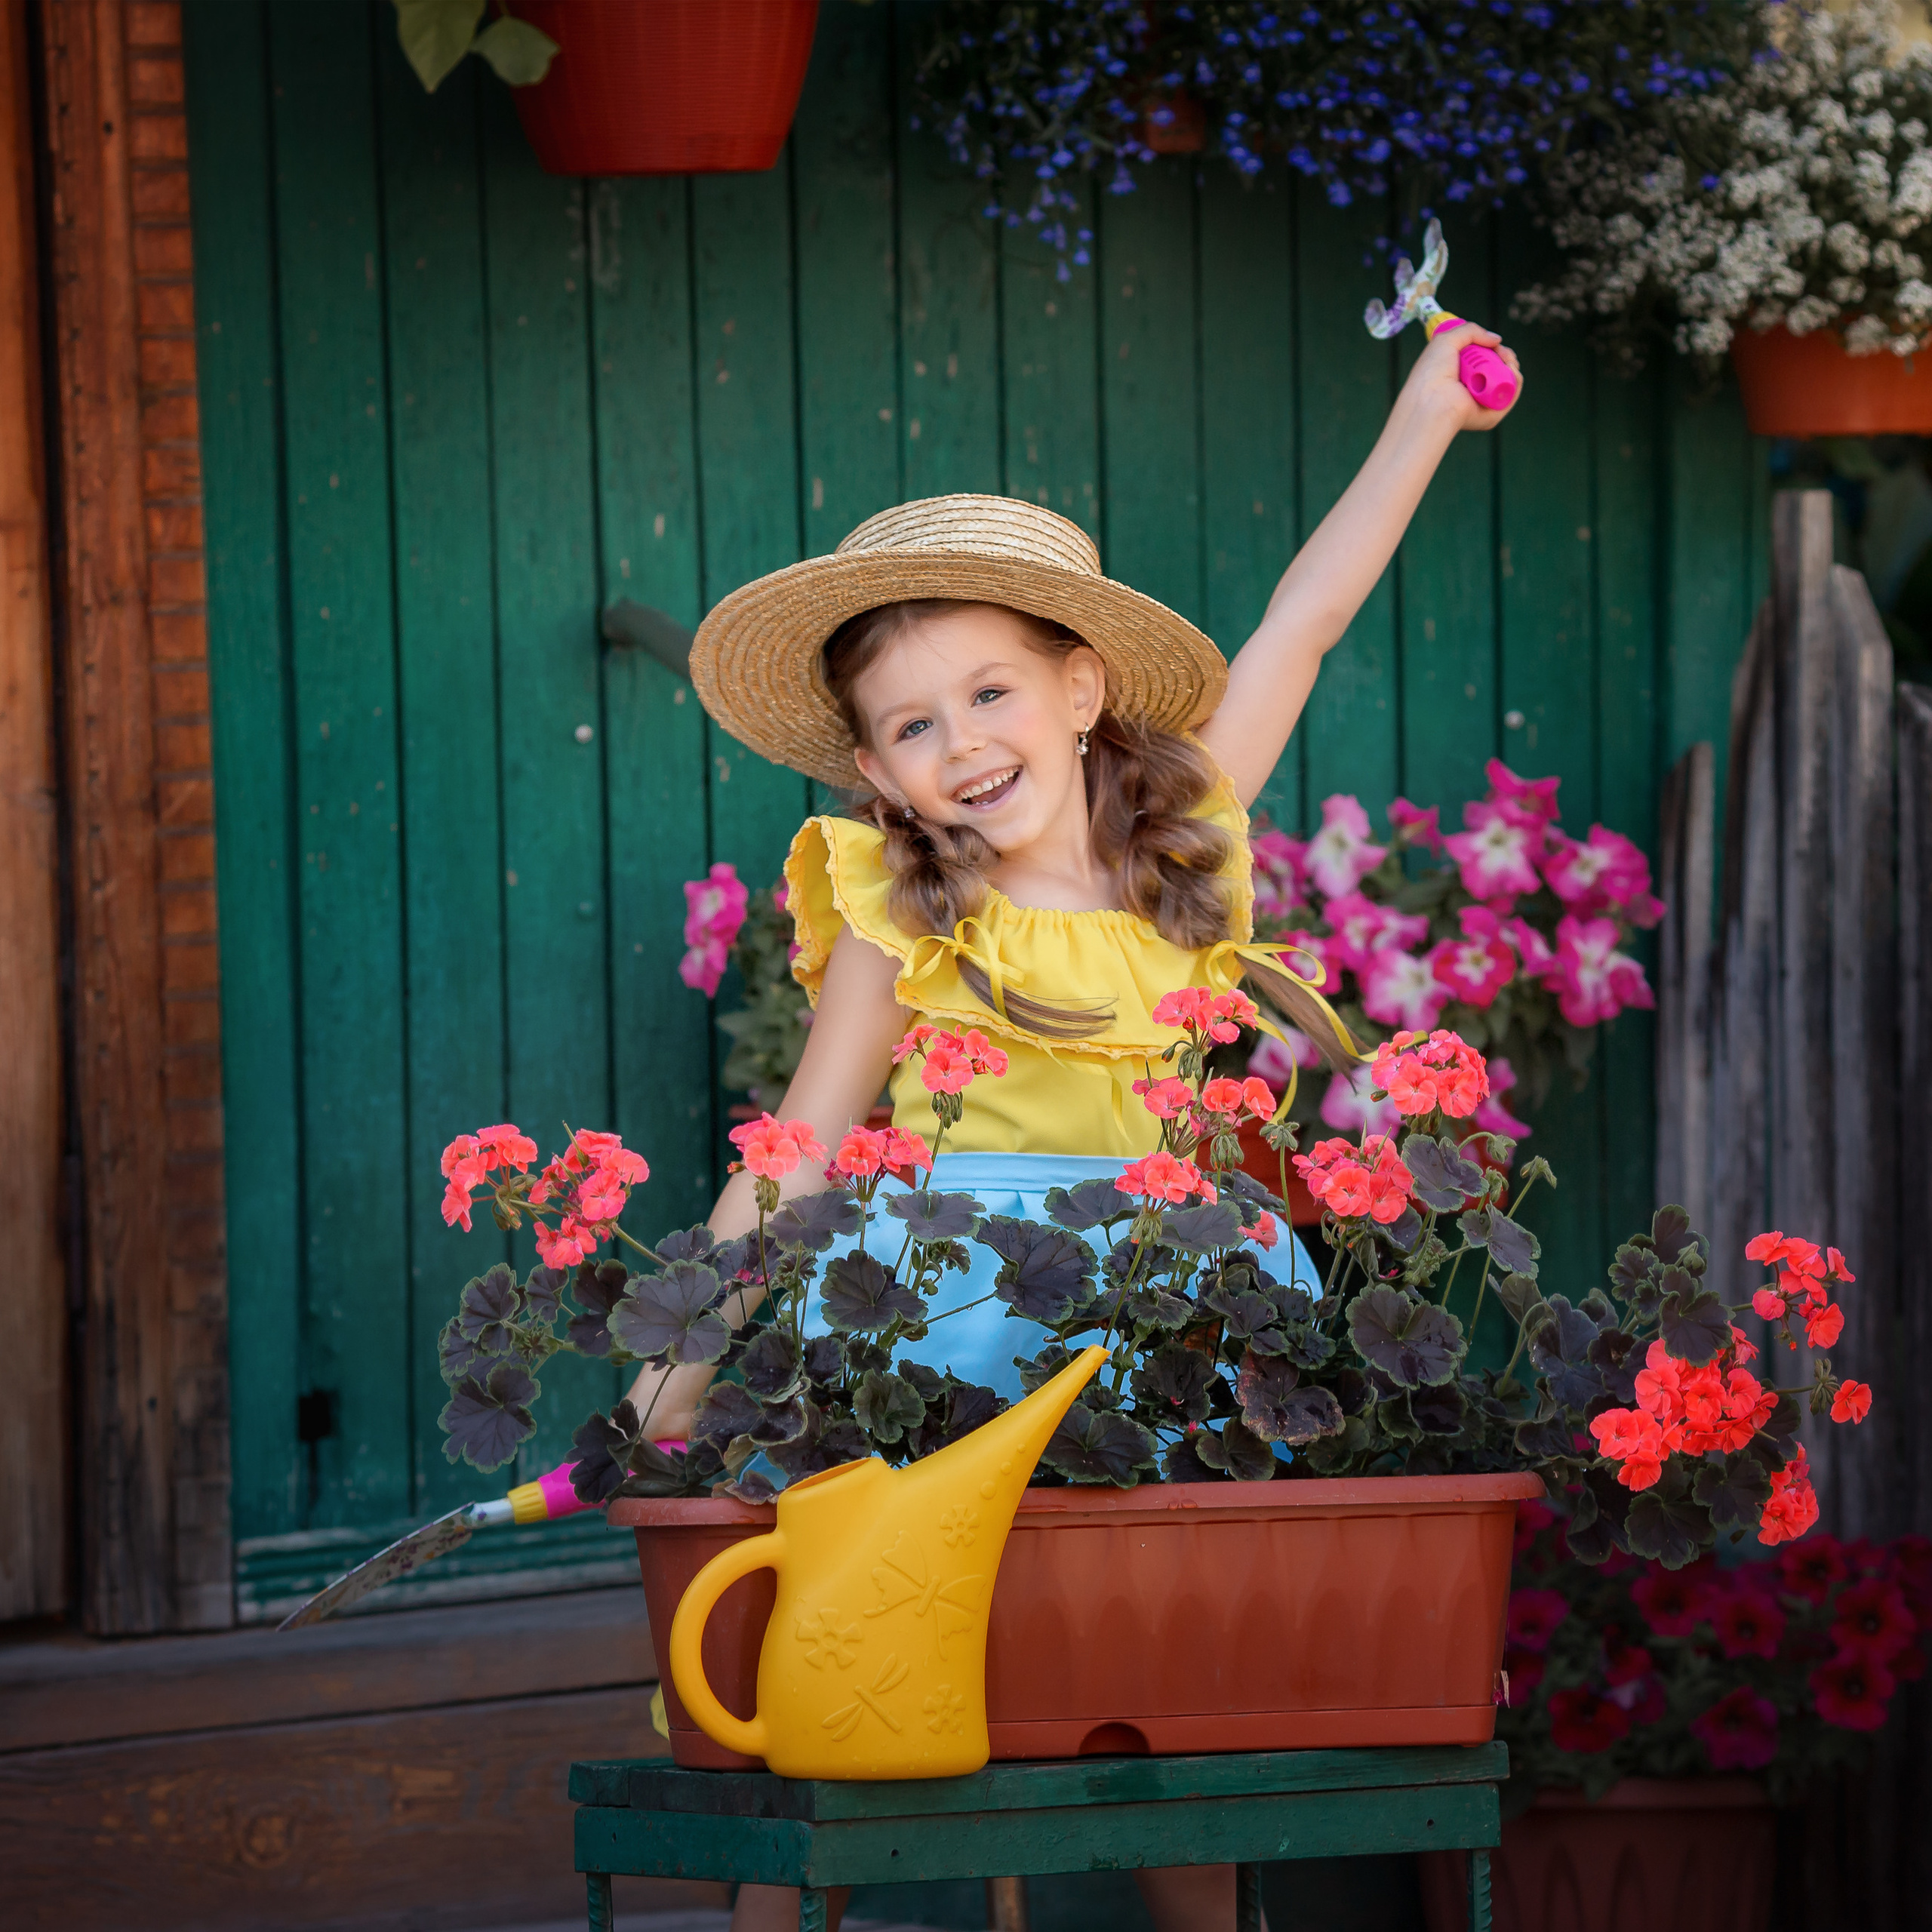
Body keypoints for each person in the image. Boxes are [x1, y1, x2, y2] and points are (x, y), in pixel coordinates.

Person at [632, 320, 1521, 1932]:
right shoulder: (903, 916)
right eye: (913, 723)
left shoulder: (1181, 852)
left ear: (1080, 687)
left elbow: (1298, 628)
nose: (962, 740)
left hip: (1163, 1304)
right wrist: (672, 1375)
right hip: (943, 1304)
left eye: (988, 689)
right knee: (846, 1666)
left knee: (1145, 1686)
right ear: (876, 773)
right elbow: (800, 1147)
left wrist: (1419, 416)